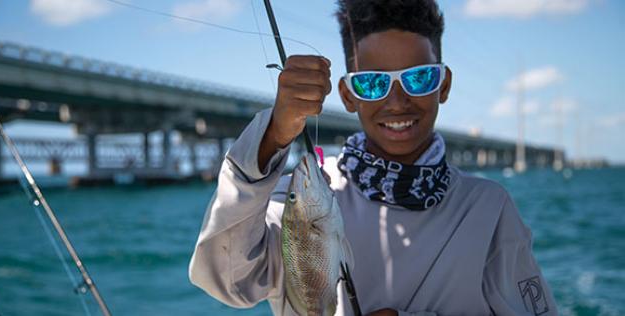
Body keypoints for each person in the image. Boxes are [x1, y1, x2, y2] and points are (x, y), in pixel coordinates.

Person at [189, 0, 558, 315]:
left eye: (420, 79)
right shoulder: (295, 199)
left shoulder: (489, 208)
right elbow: (227, 279)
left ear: (443, 85)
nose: (397, 101)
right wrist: (272, 136)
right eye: (373, 83)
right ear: (348, 95)